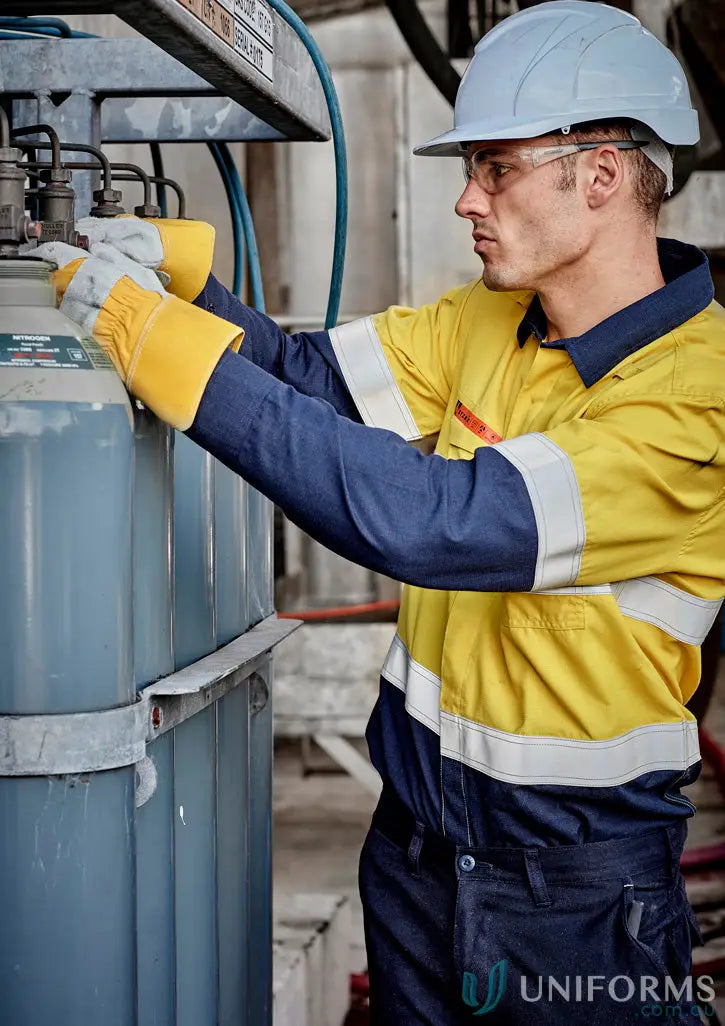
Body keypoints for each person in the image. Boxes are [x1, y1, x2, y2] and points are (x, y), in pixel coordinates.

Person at [35, 2, 725, 1020]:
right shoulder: (488, 319)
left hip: (571, 891)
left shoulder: (690, 400)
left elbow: (437, 519)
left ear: (601, 175)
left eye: (493, 167)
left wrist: (149, 339)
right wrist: (181, 277)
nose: (464, 200)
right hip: (412, 848)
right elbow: (306, 377)